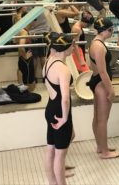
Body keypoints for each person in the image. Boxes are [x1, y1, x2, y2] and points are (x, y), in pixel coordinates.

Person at [42, 32, 74, 185]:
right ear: (66, 48)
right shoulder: (63, 69)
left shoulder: (48, 62)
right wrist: (65, 118)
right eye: (72, 45)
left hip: (50, 108)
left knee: (51, 148)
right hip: (60, 112)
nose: (74, 47)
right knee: (59, 154)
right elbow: (66, 98)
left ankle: (52, 182)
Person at [86, 18, 119, 159]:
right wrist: (110, 90)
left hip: (96, 82)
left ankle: (101, 146)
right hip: (101, 84)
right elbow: (102, 71)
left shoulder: (94, 43)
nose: (112, 32)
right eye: (111, 29)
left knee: (98, 117)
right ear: (107, 30)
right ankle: (105, 152)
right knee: (103, 120)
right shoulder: (99, 47)